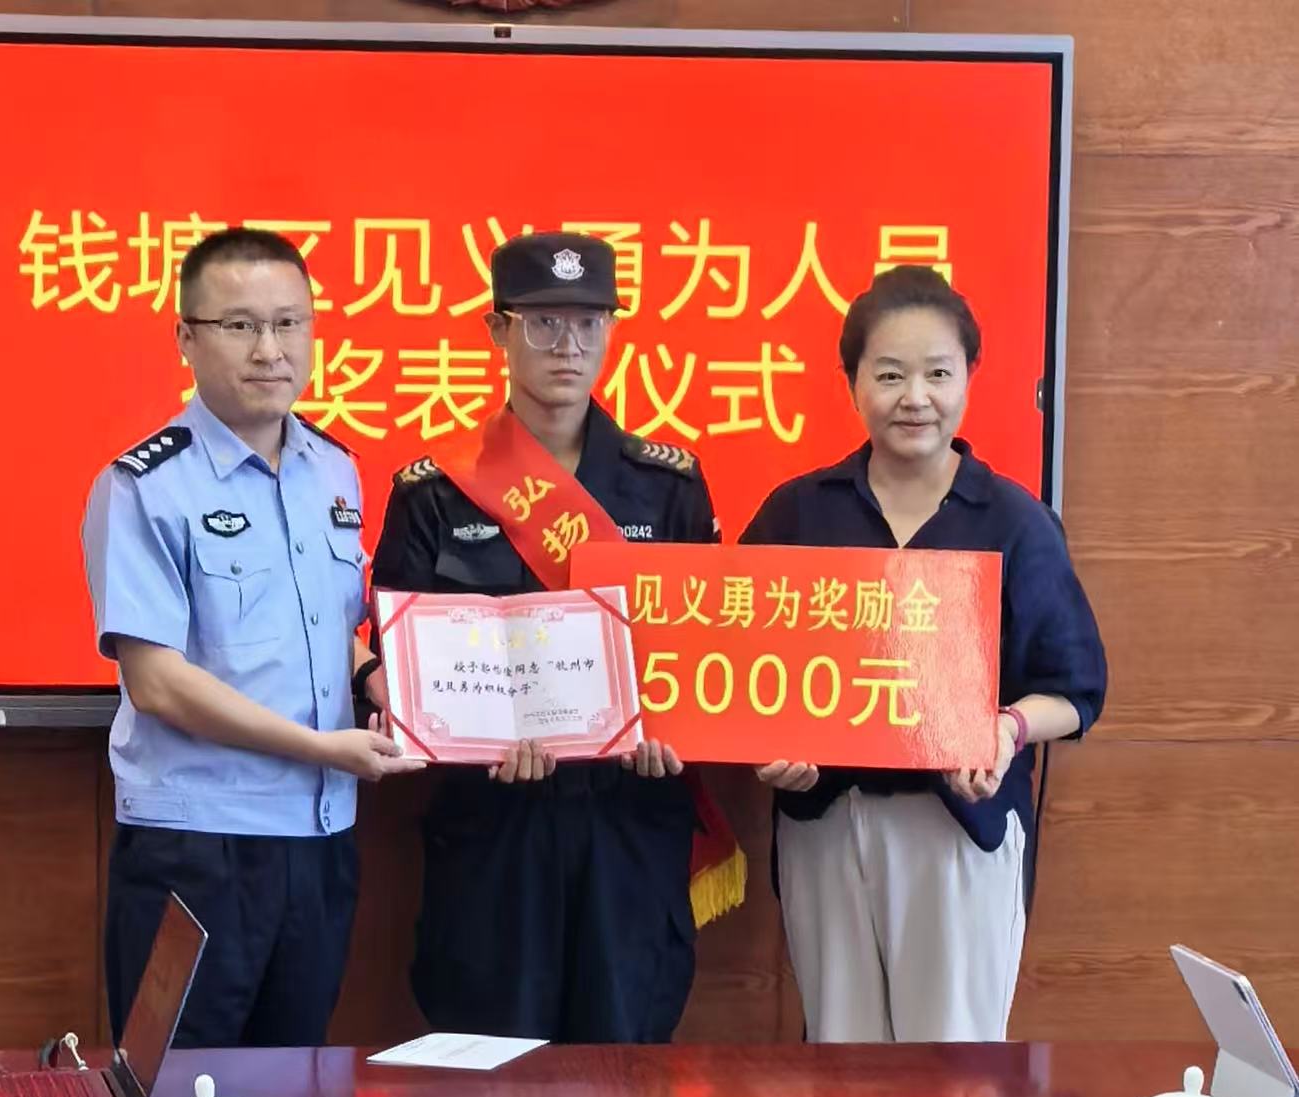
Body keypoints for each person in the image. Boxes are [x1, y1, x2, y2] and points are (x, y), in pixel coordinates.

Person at [741, 265, 1107, 1042]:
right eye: (889, 375)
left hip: (956, 825)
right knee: (839, 1055)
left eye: (938, 374)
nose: (915, 397)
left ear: (969, 377)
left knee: (953, 1064)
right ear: (851, 384)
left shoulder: (1013, 521)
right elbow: (737, 663)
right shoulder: (796, 514)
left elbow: (1075, 692)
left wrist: (1004, 728)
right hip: (825, 821)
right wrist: (766, 741)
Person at [370, 232, 721, 1042]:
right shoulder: (434, 493)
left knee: (624, 1064)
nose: (568, 345)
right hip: (494, 822)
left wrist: (676, 728)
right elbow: (400, 657)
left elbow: (698, 646)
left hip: (627, 815)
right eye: (543, 323)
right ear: (498, 330)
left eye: (589, 323)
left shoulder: (668, 485)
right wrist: (467, 733)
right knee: (490, 1065)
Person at [81, 227, 420, 1049]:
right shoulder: (143, 485)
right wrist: (320, 747)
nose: (270, 350)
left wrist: (372, 675)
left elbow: (323, 628)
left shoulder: (333, 470)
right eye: (239, 326)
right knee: (181, 1093)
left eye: (289, 323)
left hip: (319, 840)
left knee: (295, 1086)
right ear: (186, 338)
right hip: (198, 847)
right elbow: (156, 682)